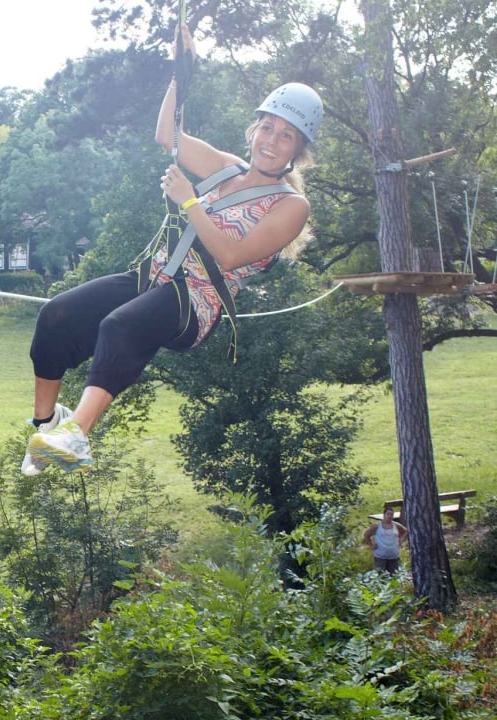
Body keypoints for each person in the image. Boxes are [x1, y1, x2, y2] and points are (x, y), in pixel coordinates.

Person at [22, 25, 320, 474]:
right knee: (56, 315)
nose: (271, 141)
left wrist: (190, 201)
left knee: (119, 326)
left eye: (286, 136)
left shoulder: (291, 205)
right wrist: (182, 72)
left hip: (195, 301)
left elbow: (231, 256)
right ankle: (46, 425)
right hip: (153, 276)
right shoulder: (226, 167)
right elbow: (168, 135)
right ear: (254, 129)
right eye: (267, 128)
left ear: (298, 150)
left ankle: (77, 434)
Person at [362, 509, 408, 573]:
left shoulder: (396, 525)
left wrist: (401, 540)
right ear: (384, 515)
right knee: (381, 576)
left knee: (394, 576)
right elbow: (366, 535)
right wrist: (371, 545)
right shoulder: (377, 525)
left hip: (394, 556)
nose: (389, 516)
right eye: (388, 514)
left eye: (391, 514)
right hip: (380, 556)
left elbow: (405, 532)